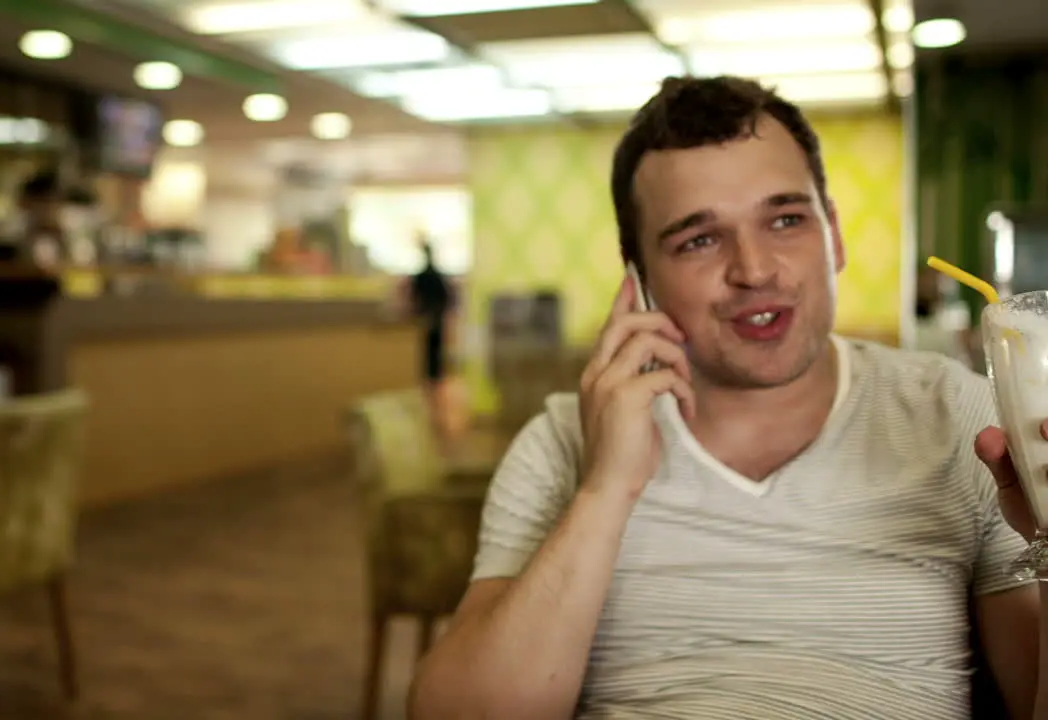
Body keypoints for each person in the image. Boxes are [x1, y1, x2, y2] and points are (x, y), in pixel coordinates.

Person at [409, 76, 1043, 720]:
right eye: (699, 239)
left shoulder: (959, 414)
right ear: (639, 279)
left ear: (835, 237)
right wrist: (605, 491)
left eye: (787, 219)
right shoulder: (563, 440)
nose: (755, 269)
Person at [408, 241, 455, 424]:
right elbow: (447, 299)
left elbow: (415, 300)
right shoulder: (436, 276)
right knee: (434, 359)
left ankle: (432, 395)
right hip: (435, 321)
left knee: (430, 359)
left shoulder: (423, 276)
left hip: (428, 321)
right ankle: (433, 395)